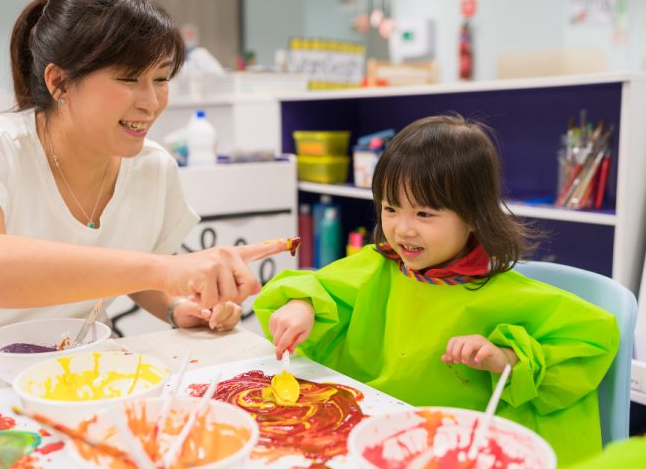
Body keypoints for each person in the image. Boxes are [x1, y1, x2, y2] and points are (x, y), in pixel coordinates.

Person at [0, 0, 288, 373]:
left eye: (162, 79)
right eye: (128, 79)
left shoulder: (154, 167)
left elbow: (139, 270)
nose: (150, 103)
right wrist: (165, 270)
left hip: (79, 350)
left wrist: (177, 305)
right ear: (59, 82)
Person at [253, 114, 619, 466]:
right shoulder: (377, 267)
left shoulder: (504, 294)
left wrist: (504, 359)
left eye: (425, 214)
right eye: (391, 208)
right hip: (368, 436)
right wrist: (302, 304)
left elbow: (594, 337)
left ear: (475, 216)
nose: (403, 230)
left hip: (456, 451)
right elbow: (315, 284)